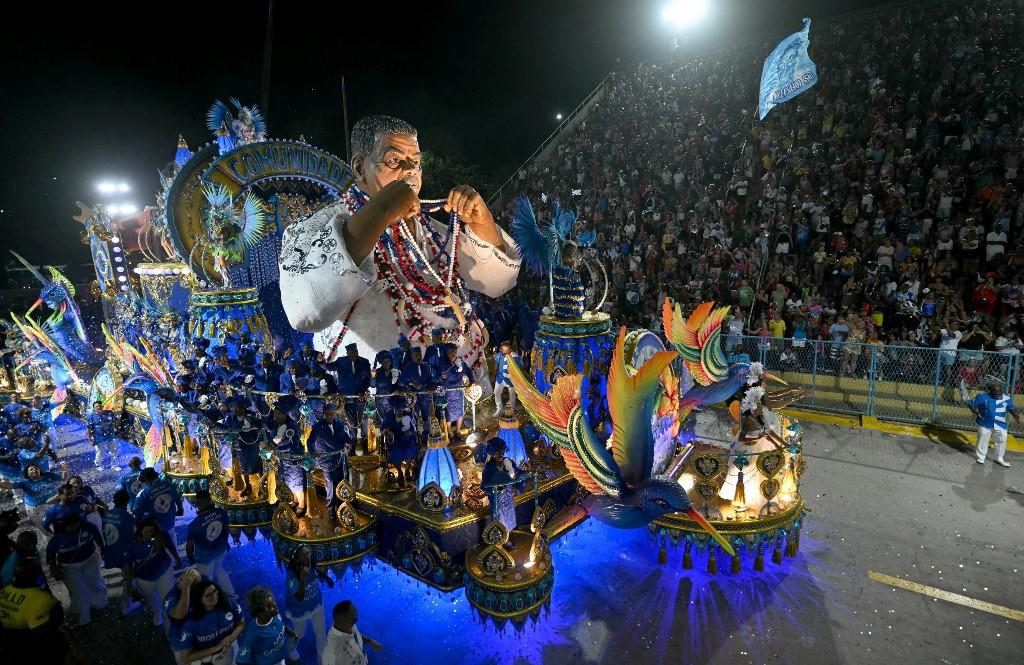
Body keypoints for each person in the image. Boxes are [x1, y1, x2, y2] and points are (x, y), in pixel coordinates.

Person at [278, 115, 521, 388]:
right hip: (383, 400)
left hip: (463, 386)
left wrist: (483, 223)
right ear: (359, 168)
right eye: (394, 161)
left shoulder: (433, 230)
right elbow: (306, 311)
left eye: (415, 162)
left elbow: (497, 282)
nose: (409, 172)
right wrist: (381, 210)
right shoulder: (315, 229)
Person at [0, 559, 69, 662]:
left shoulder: (4, 590)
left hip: (8, 637)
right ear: (36, 577)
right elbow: (40, 634)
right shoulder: (40, 599)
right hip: (29, 642)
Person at [45, 513, 107, 626]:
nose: (74, 528)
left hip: (90, 561)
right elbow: (50, 557)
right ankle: (82, 616)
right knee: (77, 591)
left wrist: (103, 551)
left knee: (95, 582)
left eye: (76, 524)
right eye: (70, 526)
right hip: (69, 568)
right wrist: (54, 570)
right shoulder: (57, 540)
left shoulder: (89, 527)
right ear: (64, 527)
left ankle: (100, 603)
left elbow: (98, 538)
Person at [173, 578, 245, 665]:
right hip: (202, 656)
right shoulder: (191, 622)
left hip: (226, 651)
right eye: (208, 595)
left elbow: (241, 624)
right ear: (199, 599)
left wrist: (232, 637)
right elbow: (186, 657)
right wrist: (218, 647)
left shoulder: (229, 602)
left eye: (215, 591)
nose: (214, 596)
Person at [284, 545, 333, 662]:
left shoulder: (310, 567)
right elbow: (300, 597)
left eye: (309, 555)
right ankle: (291, 649)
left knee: (321, 635)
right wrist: (302, 579)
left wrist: (326, 578)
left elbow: (316, 572)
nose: (308, 558)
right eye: (304, 556)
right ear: (296, 559)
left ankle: (322, 660)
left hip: (316, 604)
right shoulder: (291, 578)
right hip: (299, 610)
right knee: (300, 633)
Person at [101, 489, 142, 616]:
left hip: (111, 549)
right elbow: (132, 536)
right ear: (127, 501)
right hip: (124, 552)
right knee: (128, 576)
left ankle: (133, 591)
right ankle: (126, 606)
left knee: (126, 575)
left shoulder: (108, 514)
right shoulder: (127, 517)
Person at [186, 489, 234, 596]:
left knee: (206, 580)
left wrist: (189, 556)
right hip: (221, 549)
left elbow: (190, 545)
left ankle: (211, 601)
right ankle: (232, 595)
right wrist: (225, 543)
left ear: (197, 503)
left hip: (204, 558)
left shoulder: (194, 525)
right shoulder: (222, 513)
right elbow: (226, 530)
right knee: (219, 570)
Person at [236, 586, 297, 665]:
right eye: (269, 606)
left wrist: (291, 633)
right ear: (260, 613)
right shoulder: (253, 633)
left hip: (280, 659)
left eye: (273, 601)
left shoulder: (274, 614)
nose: (275, 606)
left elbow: (281, 624)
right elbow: (240, 660)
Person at [307, 402, 353, 505]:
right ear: (323, 413)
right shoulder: (318, 427)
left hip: (341, 459)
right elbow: (310, 441)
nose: (329, 416)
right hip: (327, 461)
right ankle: (331, 508)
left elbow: (344, 435)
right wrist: (313, 453)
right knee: (331, 486)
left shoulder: (340, 423)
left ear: (335, 413)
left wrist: (349, 441)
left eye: (332, 413)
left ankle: (344, 504)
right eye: (327, 413)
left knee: (344, 481)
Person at [969, 381, 1021, 466]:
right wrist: (976, 412)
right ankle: (981, 457)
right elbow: (971, 404)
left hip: (1000, 424)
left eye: (999, 391)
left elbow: (1011, 408)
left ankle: (999, 458)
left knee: (1002, 440)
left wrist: (1015, 415)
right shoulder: (982, 397)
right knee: (983, 440)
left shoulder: (1006, 399)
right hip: (984, 423)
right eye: (995, 392)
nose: (998, 393)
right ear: (990, 391)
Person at [132, 467, 185, 547]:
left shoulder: (143, 494)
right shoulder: (170, 485)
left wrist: (137, 533)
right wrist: (180, 509)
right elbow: (177, 498)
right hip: (170, 522)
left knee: (159, 551)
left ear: (145, 479)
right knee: (172, 543)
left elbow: (138, 515)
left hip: (155, 529)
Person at [322, 600, 383, 665]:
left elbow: (356, 635)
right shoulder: (332, 654)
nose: (355, 622)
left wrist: (370, 641)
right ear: (345, 621)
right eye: (355, 620)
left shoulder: (348, 626)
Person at [332, 342, 371, 442]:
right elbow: (329, 367)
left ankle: (365, 441)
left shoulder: (364, 362)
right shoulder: (341, 361)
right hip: (347, 398)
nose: (355, 353)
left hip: (360, 398)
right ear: (347, 353)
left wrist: (363, 391)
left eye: (356, 351)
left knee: (363, 420)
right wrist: (321, 361)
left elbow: (368, 379)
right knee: (351, 422)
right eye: (352, 352)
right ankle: (352, 443)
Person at [382, 396, 418, 488]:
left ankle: (407, 470)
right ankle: (399, 472)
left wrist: (409, 432)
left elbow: (413, 429)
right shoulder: (388, 417)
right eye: (397, 411)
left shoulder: (408, 415)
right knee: (395, 453)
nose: (399, 413)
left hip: (407, 439)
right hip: (395, 440)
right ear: (393, 410)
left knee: (410, 449)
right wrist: (386, 431)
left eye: (401, 411)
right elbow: (382, 431)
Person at [438, 345, 472, 441]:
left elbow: (468, 372)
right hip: (449, 394)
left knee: (460, 413)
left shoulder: (460, 362)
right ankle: (449, 432)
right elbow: (438, 379)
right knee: (449, 415)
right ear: (446, 354)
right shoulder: (443, 364)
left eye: (455, 351)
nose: (453, 353)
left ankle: (458, 431)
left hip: (459, 392)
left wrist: (471, 382)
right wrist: (442, 377)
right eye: (450, 352)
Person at [399, 346, 435, 436]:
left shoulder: (426, 366)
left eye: (419, 355)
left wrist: (430, 387)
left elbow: (431, 380)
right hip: (413, 397)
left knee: (426, 416)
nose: (419, 357)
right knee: (414, 415)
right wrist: (411, 382)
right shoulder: (407, 367)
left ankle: (426, 434)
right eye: (416, 355)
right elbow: (401, 382)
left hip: (425, 396)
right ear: (412, 356)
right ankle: (415, 435)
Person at [87, 400, 120, 471]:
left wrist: (116, 430)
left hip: (110, 436)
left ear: (103, 406)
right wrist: (91, 440)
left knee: (114, 451)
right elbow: (89, 430)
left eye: (100, 406)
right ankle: (98, 464)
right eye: (97, 406)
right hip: (99, 438)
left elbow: (116, 421)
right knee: (100, 452)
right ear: (93, 408)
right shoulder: (91, 417)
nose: (99, 407)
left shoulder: (109, 413)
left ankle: (114, 465)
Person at [493, 340, 522, 417]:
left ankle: (511, 410)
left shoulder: (515, 357)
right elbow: (496, 365)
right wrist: (494, 373)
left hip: (511, 380)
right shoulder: (499, 355)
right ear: (501, 350)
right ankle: (499, 408)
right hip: (500, 378)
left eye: (507, 350)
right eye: (504, 350)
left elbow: (520, 369)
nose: (506, 352)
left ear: (510, 349)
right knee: (496, 393)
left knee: (512, 396)